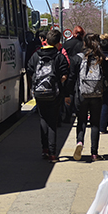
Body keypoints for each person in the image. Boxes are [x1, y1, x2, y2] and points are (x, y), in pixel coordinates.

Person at [27, 29, 69, 161]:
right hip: (54, 94)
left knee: (43, 119)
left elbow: (29, 69)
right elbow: (65, 74)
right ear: (58, 42)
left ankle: (44, 149)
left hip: (39, 93)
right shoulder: (59, 56)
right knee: (52, 122)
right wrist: (56, 83)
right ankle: (52, 153)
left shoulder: (36, 55)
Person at [70, 35, 108, 161]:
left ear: (84, 43)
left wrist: (68, 93)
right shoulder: (101, 58)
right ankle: (94, 153)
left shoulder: (78, 58)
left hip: (82, 94)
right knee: (95, 124)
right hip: (97, 94)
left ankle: (79, 142)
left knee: (81, 121)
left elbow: (71, 77)